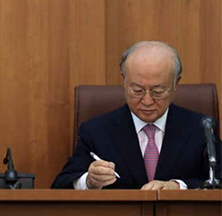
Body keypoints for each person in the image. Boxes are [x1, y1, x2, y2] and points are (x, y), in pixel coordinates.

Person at [51, 41, 220, 190]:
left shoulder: (201, 128)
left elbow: (218, 181)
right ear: (124, 81)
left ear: (176, 83)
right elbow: (61, 186)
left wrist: (178, 186)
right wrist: (89, 181)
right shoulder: (96, 131)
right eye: (137, 90)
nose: (147, 101)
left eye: (158, 92)